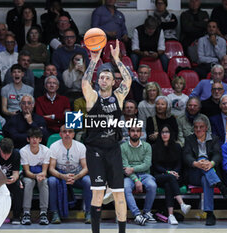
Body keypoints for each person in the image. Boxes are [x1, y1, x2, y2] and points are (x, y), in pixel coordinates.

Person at [81, 40, 132, 233]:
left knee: (119, 194)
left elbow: (128, 81)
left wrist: (117, 59)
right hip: (94, 151)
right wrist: (93, 61)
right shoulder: (93, 97)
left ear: (112, 82)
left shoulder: (118, 97)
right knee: (97, 194)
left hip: (113, 150)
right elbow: (85, 82)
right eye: (101, 77)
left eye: (106, 78)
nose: (103, 80)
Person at [183, 115, 227, 226]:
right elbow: (186, 156)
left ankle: (209, 213)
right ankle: (221, 186)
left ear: (206, 128)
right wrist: (196, 163)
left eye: (201, 127)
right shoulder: (189, 139)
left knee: (206, 179)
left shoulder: (214, 138)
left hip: (209, 173)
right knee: (201, 159)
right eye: (196, 127)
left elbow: (218, 155)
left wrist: (211, 163)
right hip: (194, 173)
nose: (198, 129)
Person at [48, 125, 91, 224]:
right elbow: (51, 169)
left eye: (70, 131)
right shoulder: (54, 146)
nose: (67, 134)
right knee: (51, 181)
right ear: (60, 134)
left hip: (77, 176)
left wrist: (76, 177)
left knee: (88, 181)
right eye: (64, 131)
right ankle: (55, 213)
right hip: (61, 176)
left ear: (73, 134)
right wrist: (63, 176)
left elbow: (86, 168)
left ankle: (89, 213)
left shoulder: (80, 146)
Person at [151, 125, 191, 225]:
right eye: (163, 132)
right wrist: (169, 172)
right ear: (159, 134)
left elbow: (179, 163)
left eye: (167, 132)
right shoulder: (154, 147)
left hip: (174, 176)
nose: (165, 134)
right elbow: (155, 165)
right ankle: (182, 204)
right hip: (159, 176)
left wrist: (175, 172)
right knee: (170, 178)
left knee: (169, 183)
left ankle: (171, 215)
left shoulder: (177, 146)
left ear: (171, 134)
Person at [121, 126, 157, 226]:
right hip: (129, 177)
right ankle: (137, 215)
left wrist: (132, 169)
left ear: (141, 133)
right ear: (129, 132)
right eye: (133, 131)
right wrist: (136, 179)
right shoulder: (123, 147)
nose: (135, 133)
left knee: (152, 185)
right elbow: (125, 167)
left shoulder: (147, 146)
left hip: (145, 174)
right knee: (125, 187)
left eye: (138, 131)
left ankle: (146, 212)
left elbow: (147, 165)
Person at [20, 128, 50, 225]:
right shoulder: (23, 151)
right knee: (29, 183)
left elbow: (45, 171)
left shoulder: (46, 150)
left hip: (40, 174)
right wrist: (36, 176)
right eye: (32, 138)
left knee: (44, 182)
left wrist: (40, 175)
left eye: (37, 138)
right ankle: (26, 213)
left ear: (40, 140)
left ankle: (43, 213)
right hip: (29, 175)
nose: (34, 140)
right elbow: (27, 171)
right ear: (28, 139)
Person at [0, 138, 23, 225]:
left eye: (8, 154)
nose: (6, 157)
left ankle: (16, 216)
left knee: (18, 188)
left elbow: (16, 173)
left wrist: (14, 178)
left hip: (10, 179)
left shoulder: (16, 154)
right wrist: (1, 181)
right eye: (3, 154)